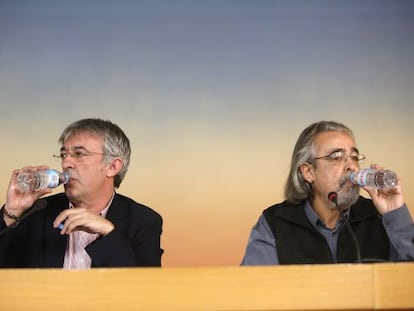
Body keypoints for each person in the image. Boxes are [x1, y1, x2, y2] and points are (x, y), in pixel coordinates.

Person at [241, 120, 414, 265]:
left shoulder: (380, 218)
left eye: (354, 157)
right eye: (337, 157)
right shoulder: (275, 222)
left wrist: (394, 213)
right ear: (308, 172)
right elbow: (252, 289)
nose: (352, 166)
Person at [0, 118, 163, 268]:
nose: (65, 163)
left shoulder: (144, 221)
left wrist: (108, 233)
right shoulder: (38, 211)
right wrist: (12, 212)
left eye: (79, 154)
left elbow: (143, 290)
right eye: (63, 155)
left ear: (113, 166)